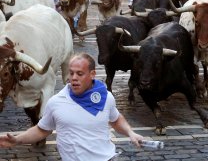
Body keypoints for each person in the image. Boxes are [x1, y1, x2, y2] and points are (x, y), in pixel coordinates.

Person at [0, 53, 143, 161]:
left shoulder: (106, 98)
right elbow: (42, 130)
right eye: (71, 73)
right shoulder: (56, 102)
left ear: (92, 74)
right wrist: (18, 140)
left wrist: (131, 133)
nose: (73, 78)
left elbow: (116, 119)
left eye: (80, 74)